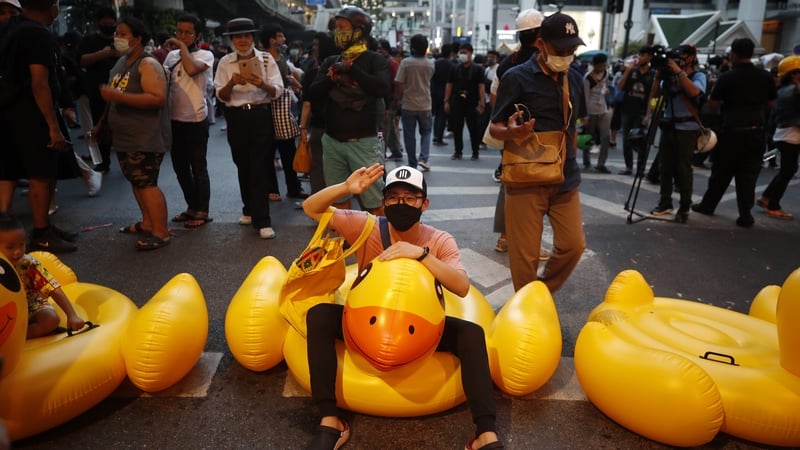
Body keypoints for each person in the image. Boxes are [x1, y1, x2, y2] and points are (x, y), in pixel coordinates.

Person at [302, 164, 503, 450]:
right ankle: (330, 419)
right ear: (384, 202)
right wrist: (346, 188)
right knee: (320, 315)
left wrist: (421, 255)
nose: (401, 204)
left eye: (410, 198)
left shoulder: (439, 240)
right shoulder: (367, 225)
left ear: (425, 203)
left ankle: (486, 433)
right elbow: (311, 209)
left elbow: (461, 286)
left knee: (471, 333)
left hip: (417, 329)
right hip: (367, 322)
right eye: (394, 197)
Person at [489, 12, 587, 293]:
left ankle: (540, 292)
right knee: (525, 257)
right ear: (541, 43)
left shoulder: (576, 79)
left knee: (573, 245)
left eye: (571, 50)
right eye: (560, 50)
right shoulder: (516, 77)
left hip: (565, 179)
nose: (566, 56)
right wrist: (512, 133)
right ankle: (526, 308)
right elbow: (495, 127)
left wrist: (572, 157)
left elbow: (573, 127)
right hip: (525, 178)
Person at [0, 0, 79, 253]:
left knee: (8, 169)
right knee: (41, 174)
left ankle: (5, 224)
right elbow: (40, 83)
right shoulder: (37, 34)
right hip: (31, 113)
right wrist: (52, 126)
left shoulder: (11, 28)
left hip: (7, 111)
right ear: (51, 6)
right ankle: (42, 231)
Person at [307, 6, 388, 215]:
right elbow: (312, 93)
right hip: (333, 142)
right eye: (336, 28)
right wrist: (330, 76)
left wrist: (352, 69)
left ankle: (379, 245)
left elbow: (381, 89)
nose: (338, 32)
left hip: (364, 144)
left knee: (374, 202)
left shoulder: (374, 60)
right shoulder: (330, 61)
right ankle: (342, 244)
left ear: (359, 31)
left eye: (343, 27)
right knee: (338, 202)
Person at [102, 16, 172, 250]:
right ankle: (147, 223)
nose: (117, 38)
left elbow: (157, 98)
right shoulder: (121, 62)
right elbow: (112, 98)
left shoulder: (147, 64)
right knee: (137, 181)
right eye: (116, 34)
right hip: (125, 136)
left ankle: (161, 232)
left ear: (138, 38)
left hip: (145, 136)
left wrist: (119, 98)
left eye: (122, 34)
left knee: (147, 183)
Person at [691, 38, 777, 227]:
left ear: (734, 55)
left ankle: (708, 205)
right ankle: (745, 215)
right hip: (756, 131)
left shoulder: (727, 77)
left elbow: (713, 105)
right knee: (748, 175)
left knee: (721, 171)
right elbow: (771, 103)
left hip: (732, 131)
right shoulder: (765, 76)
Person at [214, 18, 284, 239]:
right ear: (232, 40)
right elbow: (220, 95)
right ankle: (248, 208)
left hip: (260, 114)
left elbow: (278, 90)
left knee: (259, 165)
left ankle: (263, 220)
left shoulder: (265, 60)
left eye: (246, 35)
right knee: (242, 163)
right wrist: (231, 83)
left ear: (253, 38)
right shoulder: (225, 61)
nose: (242, 40)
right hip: (235, 116)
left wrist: (261, 83)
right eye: (237, 36)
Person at [490, 8, 544, 253]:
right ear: (540, 34)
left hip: (509, 133)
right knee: (539, 189)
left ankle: (505, 236)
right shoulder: (544, 62)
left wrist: (502, 124)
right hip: (541, 135)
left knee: (509, 184)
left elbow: (494, 98)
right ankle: (530, 243)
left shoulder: (506, 63)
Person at [162, 13, 214, 228]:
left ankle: (202, 211)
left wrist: (181, 47)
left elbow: (192, 69)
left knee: (198, 167)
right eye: (179, 31)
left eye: (187, 32)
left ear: (197, 35)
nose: (181, 36)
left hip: (195, 118)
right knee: (180, 168)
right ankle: (191, 207)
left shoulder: (206, 55)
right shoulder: (171, 56)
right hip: (173, 119)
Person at [647, 44, 706, 224]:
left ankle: (684, 207)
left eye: (683, 57)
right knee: (665, 167)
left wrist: (679, 72)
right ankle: (665, 202)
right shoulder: (668, 77)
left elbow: (695, 92)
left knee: (683, 170)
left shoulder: (698, 75)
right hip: (668, 127)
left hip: (687, 129)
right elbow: (654, 97)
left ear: (691, 58)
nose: (679, 60)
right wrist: (658, 77)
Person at [0, 213, 85, 339]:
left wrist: (72, 315)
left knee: (51, 319)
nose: (17, 252)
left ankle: (19, 338)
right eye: (10, 247)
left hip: (30, 306)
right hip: (5, 311)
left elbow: (53, 287)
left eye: (21, 244)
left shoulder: (28, 264)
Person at [259, 23, 308, 201]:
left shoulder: (281, 58)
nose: (284, 40)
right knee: (268, 151)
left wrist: (292, 83)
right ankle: (272, 189)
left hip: (282, 108)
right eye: (280, 36)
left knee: (288, 151)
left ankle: (294, 187)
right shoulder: (262, 59)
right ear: (272, 40)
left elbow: (286, 78)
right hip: (266, 108)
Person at [78, 7, 120, 173]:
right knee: (99, 126)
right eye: (105, 24)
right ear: (98, 23)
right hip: (98, 90)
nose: (108, 27)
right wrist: (103, 53)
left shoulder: (121, 39)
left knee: (122, 125)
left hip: (121, 89)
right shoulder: (89, 40)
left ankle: (127, 160)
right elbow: (81, 61)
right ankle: (103, 162)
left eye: (111, 24)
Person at [758, 55, 800, 220]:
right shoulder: (793, 90)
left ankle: (767, 197)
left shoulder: (785, 89)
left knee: (787, 169)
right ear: (793, 74)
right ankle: (773, 204)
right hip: (789, 135)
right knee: (788, 170)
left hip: (784, 134)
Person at [395, 34, 434, 171]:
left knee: (409, 134)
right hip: (425, 104)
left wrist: (398, 99)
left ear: (412, 47)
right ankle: (423, 158)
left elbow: (399, 83)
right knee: (427, 132)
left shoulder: (406, 63)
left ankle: (412, 162)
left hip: (408, 104)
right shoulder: (430, 64)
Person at [616, 45, 655, 175]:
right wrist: (628, 71)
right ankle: (628, 167)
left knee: (641, 140)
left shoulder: (653, 74)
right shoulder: (633, 71)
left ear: (649, 57)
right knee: (627, 139)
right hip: (627, 109)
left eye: (643, 55)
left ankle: (640, 169)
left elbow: (651, 96)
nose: (640, 57)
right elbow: (620, 86)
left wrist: (648, 114)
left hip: (641, 112)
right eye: (639, 55)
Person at [445, 43, 486, 161]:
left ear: (471, 53)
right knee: (457, 129)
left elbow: (481, 87)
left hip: (472, 102)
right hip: (457, 102)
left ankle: (475, 151)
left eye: (465, 52)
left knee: (473, 129)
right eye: (461, 52)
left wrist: (482, 102)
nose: (462, 55)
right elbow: (449, 85)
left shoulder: (478, 69)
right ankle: (458, 152)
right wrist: (446, 101)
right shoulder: (455, 68)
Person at [581, 52, 612, 173]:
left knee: (606, 136)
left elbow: (605, 86)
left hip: (603, 109)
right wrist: (585, 116)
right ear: (595, 65)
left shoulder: (606, 74)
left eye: (604, 65)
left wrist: (606, 91)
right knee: (589, 137)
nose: (603, 68)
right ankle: (586, 162)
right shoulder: (588, 78)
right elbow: (585, 96)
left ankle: (601, 163)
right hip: (591, 110)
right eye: (601, 65)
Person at [377, 39, 403, 161]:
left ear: (386, 49)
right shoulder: (385, 62)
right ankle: (396, 150)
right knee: (390, 127)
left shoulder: (391, 63)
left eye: (380, 48)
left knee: (385, 127)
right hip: (388, 98)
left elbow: (397, 83)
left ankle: (383, 152)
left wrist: (396, 99)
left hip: (390, 99)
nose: (378, 50)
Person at [431, 44, 454, 146]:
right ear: (450, 53)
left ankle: (436, 135)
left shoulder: (435, 63)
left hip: (435, 91)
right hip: (446, 92)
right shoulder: (452, 65)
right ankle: (439, 137)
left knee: (437, 115)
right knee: (443, 116)